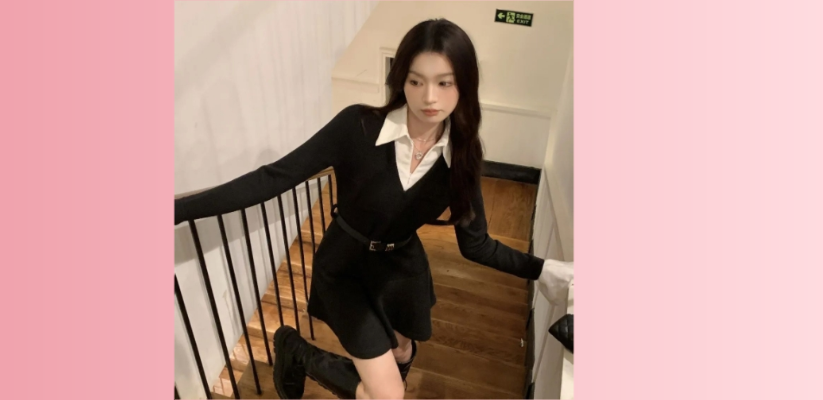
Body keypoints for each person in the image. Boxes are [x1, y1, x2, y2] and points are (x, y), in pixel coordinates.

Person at [174, 18, 574, 399]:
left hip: (401, 270)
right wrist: (178, 210)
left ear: (464, 85)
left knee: (401, 352)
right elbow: (274, 177)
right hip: (345, 268)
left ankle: (314, 358)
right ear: (400, 79)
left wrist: (544, 270)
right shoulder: (359, 127)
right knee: (387, 392)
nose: (429, 97)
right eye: (416, 81)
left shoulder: (462, 156)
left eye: (444, 82)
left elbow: (477, 244)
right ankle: (298, 352)